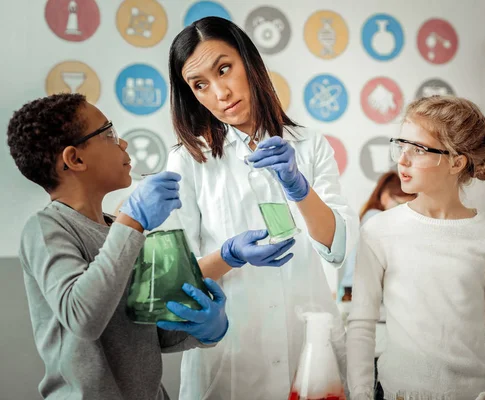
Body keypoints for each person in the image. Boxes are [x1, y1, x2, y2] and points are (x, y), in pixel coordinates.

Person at [166, 16, 358, 400]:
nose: (220, 92)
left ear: (249, 62)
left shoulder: (309, 146)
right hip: (230, 358)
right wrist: (230, 255)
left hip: (308, 349)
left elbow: (336, 248)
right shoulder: (188, 160)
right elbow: (176, 280)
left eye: (225, 68)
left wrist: (298, 188)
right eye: (200, 84)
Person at [6, 93, 229, 399]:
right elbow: (82, 317)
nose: (123, 144)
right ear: (75, 159)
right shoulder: (46, 229)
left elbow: (151, 334)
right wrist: (132, 222)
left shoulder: (121, 231)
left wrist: (206, 328)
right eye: (109, 134)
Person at [347, 96, 485, 400]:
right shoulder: (379, 231)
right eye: (401, 146)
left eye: (418, 150)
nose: (402, 160)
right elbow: (361, 325)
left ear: (457, 162)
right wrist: (361, 394)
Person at [339, 171, 416, 298]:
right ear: (385, 197)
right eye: (401, 205)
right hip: (361, 292)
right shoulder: (375, 217)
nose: (405, 212)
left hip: (356, 289)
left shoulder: (370, 215)